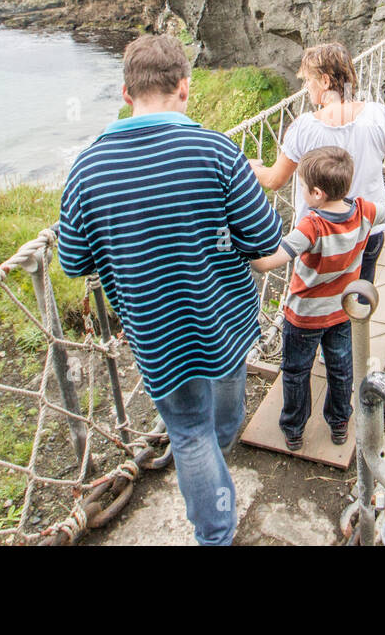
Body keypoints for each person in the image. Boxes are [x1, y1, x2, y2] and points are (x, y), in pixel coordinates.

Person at [58, 34, 282, 546]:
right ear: (184, 87)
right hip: (224, 324)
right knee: (221, 417)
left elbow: (73, 261)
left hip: (156, 334)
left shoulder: (87, 166)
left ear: (125, 92)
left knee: (187, 432)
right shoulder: (217, 150)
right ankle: (219, 464)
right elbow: (265, 238)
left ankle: (214, 533)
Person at [252, 147, 385, 450]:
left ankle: (294, 429)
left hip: (304, 316)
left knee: (295, 371)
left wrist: (237, 244)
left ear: (316, 193)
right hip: (344, 311)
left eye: (303, 187)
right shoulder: (364, 212)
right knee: (341, 369)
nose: (302, 191)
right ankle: (340, 423)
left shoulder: (311, 226)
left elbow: (266, 263)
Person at [250, 43, 385, 288]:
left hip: (320, 236)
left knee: (319, 303)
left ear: (326, 81)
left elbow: (275, 181)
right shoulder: (379, 115)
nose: (305, 86)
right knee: (359, 299)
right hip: (368, 229)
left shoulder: (303, 128)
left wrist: (248, 168)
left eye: (308, 80)